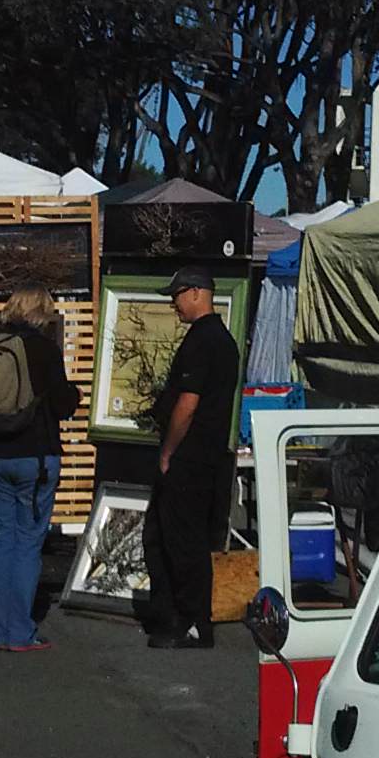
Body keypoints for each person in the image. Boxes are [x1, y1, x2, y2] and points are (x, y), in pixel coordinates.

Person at [0, 288, 80, 652]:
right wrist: (75, 395)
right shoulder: (45, 351)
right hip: (36, 455)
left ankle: (0, 628)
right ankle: (20, 631)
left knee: (4, 541)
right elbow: (63, 403)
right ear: (42, 313)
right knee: (29, 543)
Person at [140, 266, 240, 648]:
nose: (173, 303)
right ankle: (175, 616)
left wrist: (168, 450)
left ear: (198, 292)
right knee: (168, 537)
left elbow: (188, 403)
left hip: (190, 456)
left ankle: (191, 621)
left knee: (182, 542)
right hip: (206, 454)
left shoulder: (204, 341)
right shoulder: (222, 340)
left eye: (177, 294)